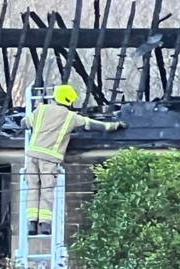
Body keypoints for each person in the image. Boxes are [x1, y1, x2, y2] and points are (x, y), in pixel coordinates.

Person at [20, 84, 128, 235]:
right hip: (50, 158)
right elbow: (92, 125)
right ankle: (45, 224)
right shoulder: (71, 117)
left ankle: (31, 223)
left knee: (31, 188)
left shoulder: (41, 109)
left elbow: (24, 123)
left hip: (32, 155)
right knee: (47, 189)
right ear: (70, 101)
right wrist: (114, 126)